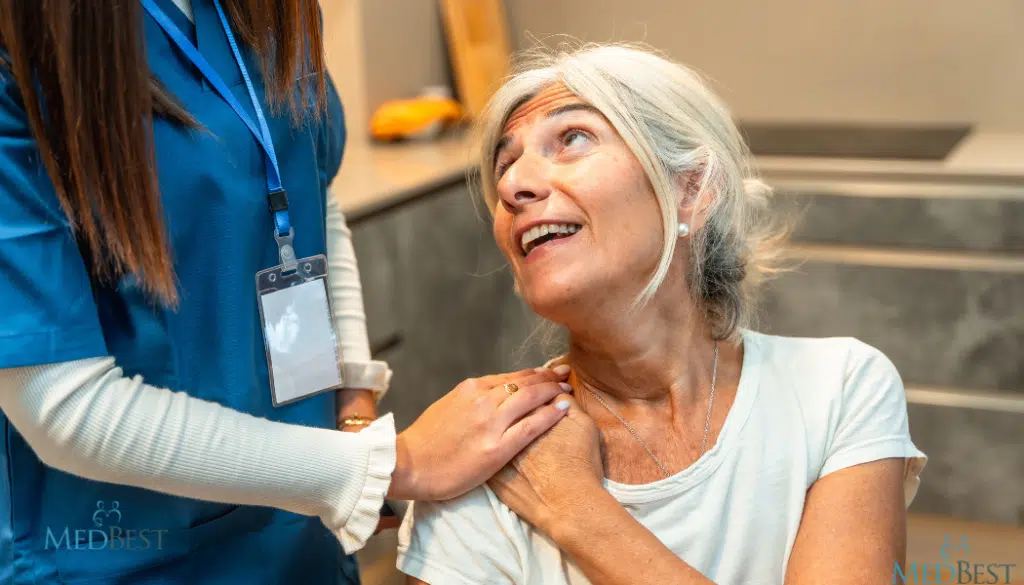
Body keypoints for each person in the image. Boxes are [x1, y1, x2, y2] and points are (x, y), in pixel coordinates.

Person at [0, 1, 572, 583]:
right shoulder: (23, 53)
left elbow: (308, 202)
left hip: (302, 531)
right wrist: (388, 464)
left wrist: (352, 408)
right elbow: (60, 399)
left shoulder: (270, 13)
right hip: (130, 552)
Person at [397, 44, 928, 585]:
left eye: (573, 138)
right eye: (505, 164)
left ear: (691, 189)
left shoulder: (837, 391)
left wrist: (579, 510)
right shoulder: (483, 457)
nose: (511, 186)